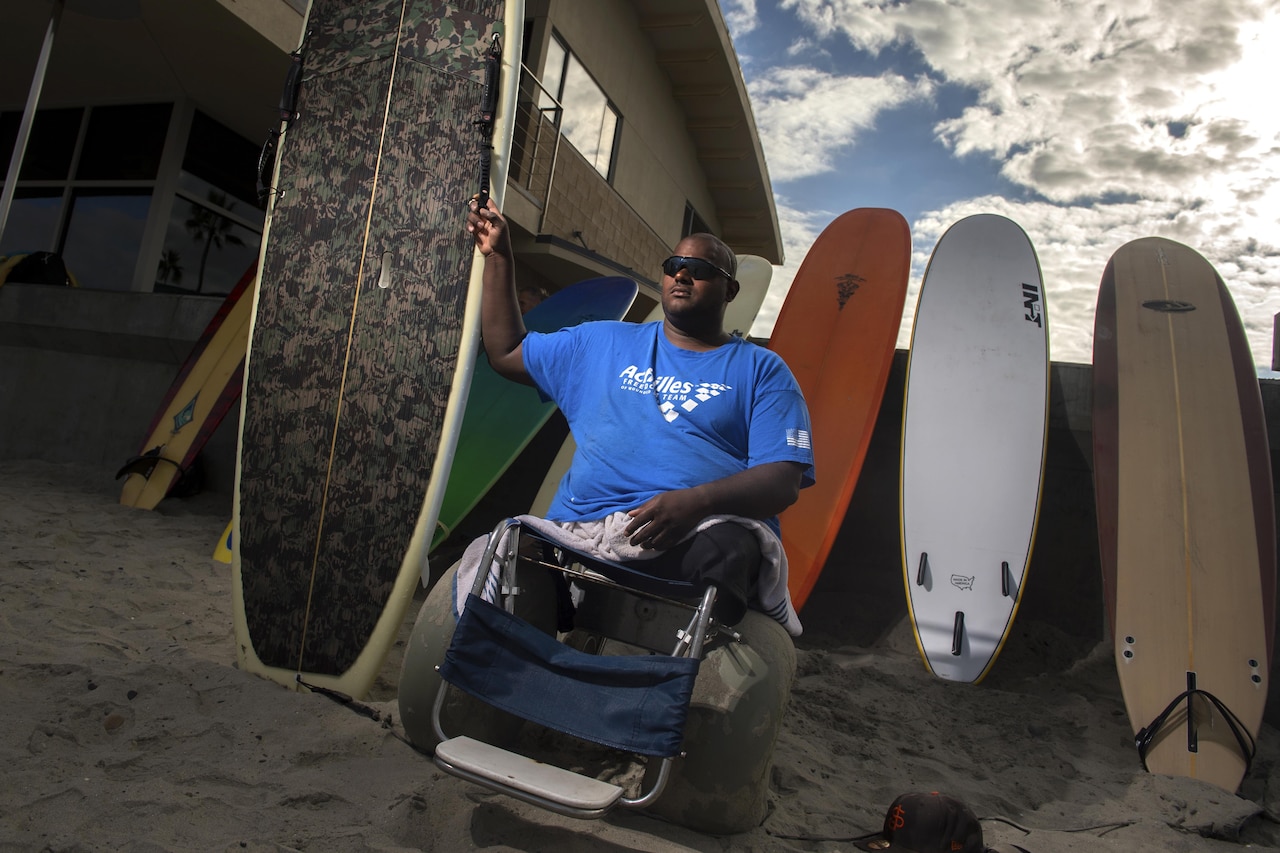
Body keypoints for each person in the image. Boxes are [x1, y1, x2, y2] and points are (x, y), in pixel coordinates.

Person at [464, 198, 815, 626]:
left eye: (700, 269)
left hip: (698, 532)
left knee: (730, 550)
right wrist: (499, 255)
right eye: (674, 264)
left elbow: (783, 479)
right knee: (508, 550)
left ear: (730, 290)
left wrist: (696, 503)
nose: (682, 274)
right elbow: (508, 352)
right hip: (585, 523)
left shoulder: (763, 370)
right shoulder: (601, 343)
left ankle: (685, 671)